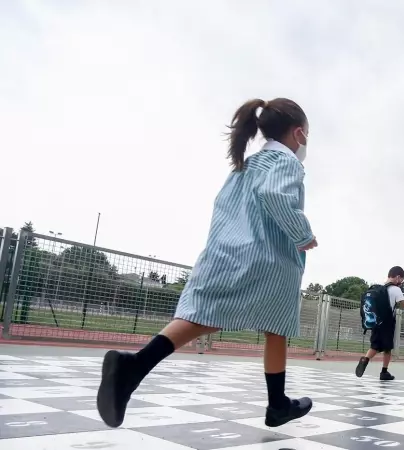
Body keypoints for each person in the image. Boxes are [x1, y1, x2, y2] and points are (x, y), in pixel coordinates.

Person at [96, 98, 318, 429]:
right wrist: (303, 235)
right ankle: (276, 405)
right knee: (278, 325)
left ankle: (135, 366)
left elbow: (224, 207)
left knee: (203, 316)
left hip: (227, 250)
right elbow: (275, 196)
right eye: (307, 137)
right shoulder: (284, 162)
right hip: (270, 258)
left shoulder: (246, 165)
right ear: (298, 134)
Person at [355, 266, 404, 380]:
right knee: (387, 348)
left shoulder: (380, 288)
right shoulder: (396, 289)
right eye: (401, 280)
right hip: (388, 322)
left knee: (375, 345)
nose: (401, 283)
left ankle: (365, 359)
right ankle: (384, 372)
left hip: (376, 320)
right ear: (397, 277)